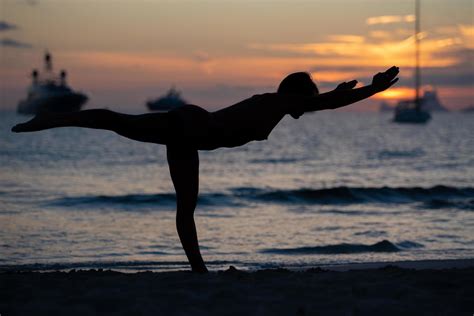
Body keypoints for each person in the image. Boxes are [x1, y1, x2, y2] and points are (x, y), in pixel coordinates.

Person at [12, 66, 400, 273]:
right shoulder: (278, 102)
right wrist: (374, 89)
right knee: (120, 125)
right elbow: (323, 105)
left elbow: (322, 102)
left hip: (188, 133)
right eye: (307, 101)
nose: (307, 110)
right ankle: (47, 119)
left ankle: (198, 269)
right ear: (298, 95)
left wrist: (341, 91)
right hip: (191, 128)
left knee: (177, 196)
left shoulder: (276, 103)